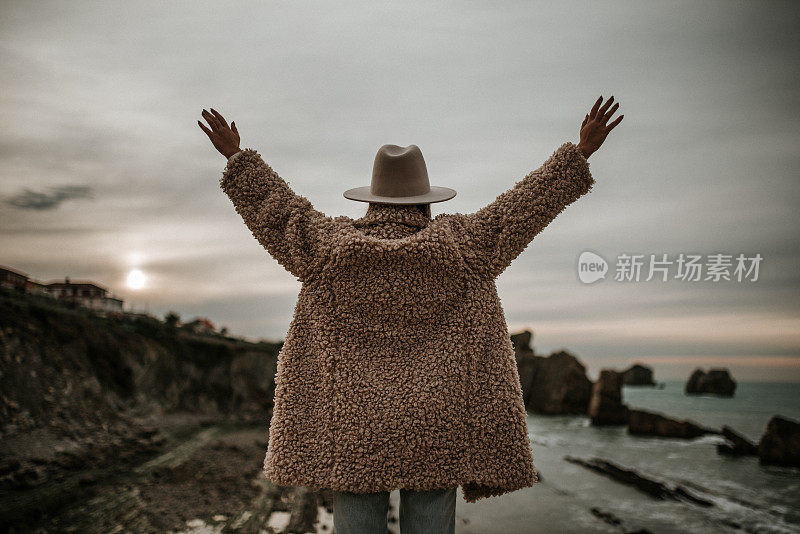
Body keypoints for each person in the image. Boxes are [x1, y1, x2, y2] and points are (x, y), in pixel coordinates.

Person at [199, 96, 622, 534]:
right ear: (426, 202)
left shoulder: (329, 246)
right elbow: (524, 207)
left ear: (371, 200)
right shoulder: (464, 245)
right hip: (438, 427)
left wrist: (237, 157)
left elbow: (279, 211)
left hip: (352, 427)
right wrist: (579, 153)